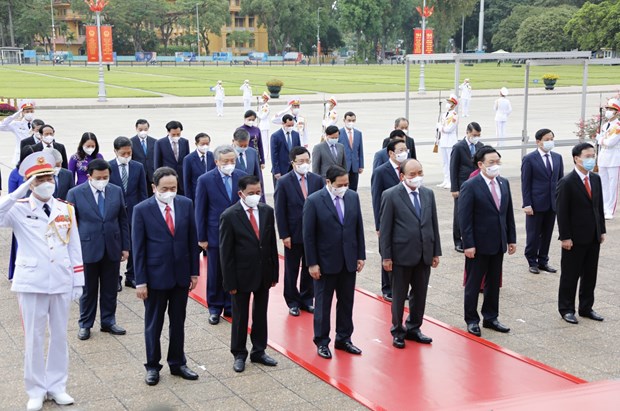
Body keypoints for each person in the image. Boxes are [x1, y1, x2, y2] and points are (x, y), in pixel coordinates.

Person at [0, 151, 83, 411]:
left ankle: (57, 385)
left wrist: (78, 280)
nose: (47, 182)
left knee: (59, 335)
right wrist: (20, 190)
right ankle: (35, 390)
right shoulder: (18, 208)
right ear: (30, 182)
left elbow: (74, 246)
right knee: (33, 338)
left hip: (60, 278)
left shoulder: (65, 208)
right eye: (39, 179)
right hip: (32, 281)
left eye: (49, 177)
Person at [133, 166, 200, 386]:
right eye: (165, 188)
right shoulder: (142, 209)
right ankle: (152, 366)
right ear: (154, 188)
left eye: (173, 187)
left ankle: (178, 362)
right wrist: (140, 281)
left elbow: (192, 239)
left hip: (180, 275)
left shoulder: (185, 204)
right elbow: (139, 248)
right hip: (154, 277)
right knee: (154, 323)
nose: (170, 191)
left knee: (178, 321)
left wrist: (194, 272)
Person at [303, 165, 366, 359]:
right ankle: (322, 341)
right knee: (323, 304)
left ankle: (344, 338)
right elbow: (309, 235)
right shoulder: (314, 201)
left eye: (347, 184)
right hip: (325, 262)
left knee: (346, 302)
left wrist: (360, 255)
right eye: (340, 184)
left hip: (348, 260)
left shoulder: (352, 197)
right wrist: (312, 263)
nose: (344, 187)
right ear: (328, 183)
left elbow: (358, 227)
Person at [220, 175, 279, 373]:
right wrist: (229, 282)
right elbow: (225, 253)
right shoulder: (229, 215)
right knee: (240, 316)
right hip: (241, 275)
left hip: (263, 273)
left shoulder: (267, 211)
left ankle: (259, 350)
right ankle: (239, 353)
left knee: (260, 313)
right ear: (241, 194)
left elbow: (271, 244)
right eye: (251, 193)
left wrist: (274, 274)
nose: (255, 196)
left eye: (258, 192)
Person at [380, 159, 441, 348]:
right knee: (399, 295)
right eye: (412, 174)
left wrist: (435, 251)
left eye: (420, 173)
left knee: (420, 293)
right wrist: (386, 256)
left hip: (424, 253)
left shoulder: (428, 194)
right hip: (401, 254)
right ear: (402, 176)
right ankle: (398, 330)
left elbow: (433, 224)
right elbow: (386, 228)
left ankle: (414, 327)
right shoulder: (391, 195)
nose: (417, 178)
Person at [67, 159, 130, 341]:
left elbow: (122, 220)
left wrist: (125, 246)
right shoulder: (76, 193)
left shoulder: (116, 191)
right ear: (89, 177)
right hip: (88, 247)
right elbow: (71, 224)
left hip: (112, 246)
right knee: (88, 289)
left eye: (105, 177)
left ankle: (108, 321)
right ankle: (85, 324)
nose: (102, 180)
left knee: (110, 288)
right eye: (98, 177)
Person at [458, 146, 516, 337]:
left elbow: (507, 214)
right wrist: (468, 244)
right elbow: (464, 218)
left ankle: (491, 317)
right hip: (478, 244)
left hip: (498, 242)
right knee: (474, 284)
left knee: (493, 282)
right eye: (491, 162)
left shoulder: (503, 182)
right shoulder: (471, 185)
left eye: (498, 161)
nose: (495, 165)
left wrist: (511, 239)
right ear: (481, 164)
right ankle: (472, 320)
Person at [195, 145, 247, 325]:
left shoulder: (241, 176)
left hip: (239, 234)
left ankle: (231, 306)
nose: (230, 164)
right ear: (217, 161)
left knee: (234, 271)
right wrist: (201, 237)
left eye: (232, 160)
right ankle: (215, 307)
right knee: (216, 272)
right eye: (226, 161)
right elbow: (200, 210)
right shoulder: (205, 180)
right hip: (214, 233)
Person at [556, 143, 606, 325]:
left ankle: (586, 307)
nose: (591, 159)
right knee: (570, 274)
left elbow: (598, 206)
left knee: (590, 274)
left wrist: (601, 230)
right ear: (577, 158)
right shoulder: (567, 182)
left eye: (593, 155)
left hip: (593, 235)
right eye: (587, 156)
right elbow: (562, 212)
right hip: (574, 238)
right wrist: (565, 236)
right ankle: (566, 309)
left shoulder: (595, 179)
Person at [274, 146, 324, 316]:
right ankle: (292, 301)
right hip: (293, 233)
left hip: (313, 233)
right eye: (300, 161)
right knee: (292, 268)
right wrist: (284, 234)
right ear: (293, 162)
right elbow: (280, 210)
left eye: (307, 161)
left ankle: (306, 299)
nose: (304, 164)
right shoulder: (284, 182)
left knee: (309, 267)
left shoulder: (317, 180)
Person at [521, 128, 564, 274]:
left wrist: (560, 201)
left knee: (547, 234)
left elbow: (560, 181)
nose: (550, 141)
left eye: (551, 138)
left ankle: (543, 260)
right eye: (546, 139)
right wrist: (527, 203)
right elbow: (525, 183)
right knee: (533, 234)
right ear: (538, 142)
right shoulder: (529, 159)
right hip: (535, 203)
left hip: (552, 203)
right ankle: (531, 261)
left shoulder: (557, 158)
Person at [371, 139, 409, 301]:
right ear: (391, 153)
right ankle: (387, 288)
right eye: (400, 150)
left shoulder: (408, 169)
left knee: (402, 254)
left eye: (405, 149)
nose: (404, 152)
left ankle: (400, 288)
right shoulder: (381, 171)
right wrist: (379, 225)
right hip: (387, 219)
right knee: (386, 253)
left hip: (405, 219)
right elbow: (376, 199)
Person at [109, 136, 148, 290]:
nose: (126, 156)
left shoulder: (138, 167)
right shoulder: (109, 167)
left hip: (133, 211)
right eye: (123, 153)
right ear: (115, 152)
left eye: (129, 153)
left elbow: (142, 192)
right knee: (115, 244)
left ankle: (131, 275)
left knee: (134, 244)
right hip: (115, 212)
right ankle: (115, 277)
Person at [450, 122, 483, 253]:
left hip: (476, 184)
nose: (476, 137)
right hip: (462, 185)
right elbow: (453, 168)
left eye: (478, 135)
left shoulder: (480, 146)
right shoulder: (459, 147)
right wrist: (454, 188)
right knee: (459, 213)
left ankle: (471, 238)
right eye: (474, 135)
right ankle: (458, 240)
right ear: (467, 132)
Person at [595, 98, 620, 220]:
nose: (608, 111)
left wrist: (600, 140)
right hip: (603, 157)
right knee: (603, 184)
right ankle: (603, 207)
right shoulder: (605, 125)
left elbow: (610, 142)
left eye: (611, 109)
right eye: (608, 109)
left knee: (612, 185)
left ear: (617, 112)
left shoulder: (618, 126)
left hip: (614, 158)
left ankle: (610, 209)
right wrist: (601, 141)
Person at [154, 120, 190, 196]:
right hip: (167, 177)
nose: (176, 136)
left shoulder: (184, 142)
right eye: (173, 134)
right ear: (168, 132)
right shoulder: (160, 143)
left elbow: (187, 160)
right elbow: (157, 162)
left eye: (178, 134)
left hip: (181, 178)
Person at [0, 99, 37, 166]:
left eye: (31, 111)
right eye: (27, 111)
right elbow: (1, 126)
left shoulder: (37, 123)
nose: (29, 113)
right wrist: (13, 117)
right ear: (22, 112)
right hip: (20, 154)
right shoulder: (16, 124)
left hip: (34, 153)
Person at [233, 128, 264, 202]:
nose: (243, 148)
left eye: (245, 145)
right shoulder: (227, 154)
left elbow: (257, 174)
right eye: (240, 145)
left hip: (251, 195)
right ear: (233, 141)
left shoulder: (252, 152)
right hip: (235, 194)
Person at [182, 133, 215, 202]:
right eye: (202, 144)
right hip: (197, 193)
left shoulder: (212, 156)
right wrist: (189, 199)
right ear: (196, 144)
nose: (205, 146)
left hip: (211, 192)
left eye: (207, 144)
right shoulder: (188, 159)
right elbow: (187, 181)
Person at [270, 114, 301, 187]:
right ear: (283, 123)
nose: (290, 127)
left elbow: (299, 151)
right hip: (281, 169)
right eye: (288, 125)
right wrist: (276, 171)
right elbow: (274, 155)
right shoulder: (275, 136)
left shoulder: (296, 135)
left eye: (292, 125)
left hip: (293, 169)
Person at [130, 119, 157, 196]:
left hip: (152, 175)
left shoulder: (154, 142)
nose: (143, 131)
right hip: (138, 174)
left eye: (145, 129)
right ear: (136, 129)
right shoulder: (131, 142)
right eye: (140, 129)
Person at [437, 95, 459, 189]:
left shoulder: (454, 115)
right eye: (448, 102)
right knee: (445, 162)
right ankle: (446, 180)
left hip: (450, 141)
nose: (448, 104)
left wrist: (440, 128)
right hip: (443, 141)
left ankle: (451, 181)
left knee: (451, 162)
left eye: (450, 102)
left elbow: (449, 128)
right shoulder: (444, 114)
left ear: (454, 105)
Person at [338, 112, 364, 192]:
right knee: (343, 188)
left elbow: (360, 150)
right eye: (349, 120)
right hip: (343, 166)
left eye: (353, 120)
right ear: (344, 120)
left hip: (355, 166)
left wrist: (361, 165)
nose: (351, 123)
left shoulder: (358, 133)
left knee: (353, 187)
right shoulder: (339, 133)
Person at [257, 92, 271, 159]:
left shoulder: (266, 107)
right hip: (261, 125)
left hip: (265, 126)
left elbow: (263, 117)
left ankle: (265, 155)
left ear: (266, 99)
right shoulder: (262, 106)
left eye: (263, 98)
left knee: (265, 142)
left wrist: (257, 114)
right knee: (261, 140)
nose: (262, 99)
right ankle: (262, 154)